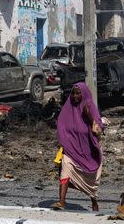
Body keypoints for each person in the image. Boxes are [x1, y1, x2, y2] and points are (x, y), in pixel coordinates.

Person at [51, 82, 103, 211]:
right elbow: (61, 126)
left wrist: (89, 116)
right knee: (66, 169)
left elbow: (98, 131)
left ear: (83, 94)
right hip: (71, 150)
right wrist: (65, 141)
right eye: (73, 93)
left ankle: (94, 201)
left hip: (89, 152)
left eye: (78, 93)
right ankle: (61, 202)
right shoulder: (68, 109)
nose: (74, 96)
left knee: (91, 181)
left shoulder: (90, 106)